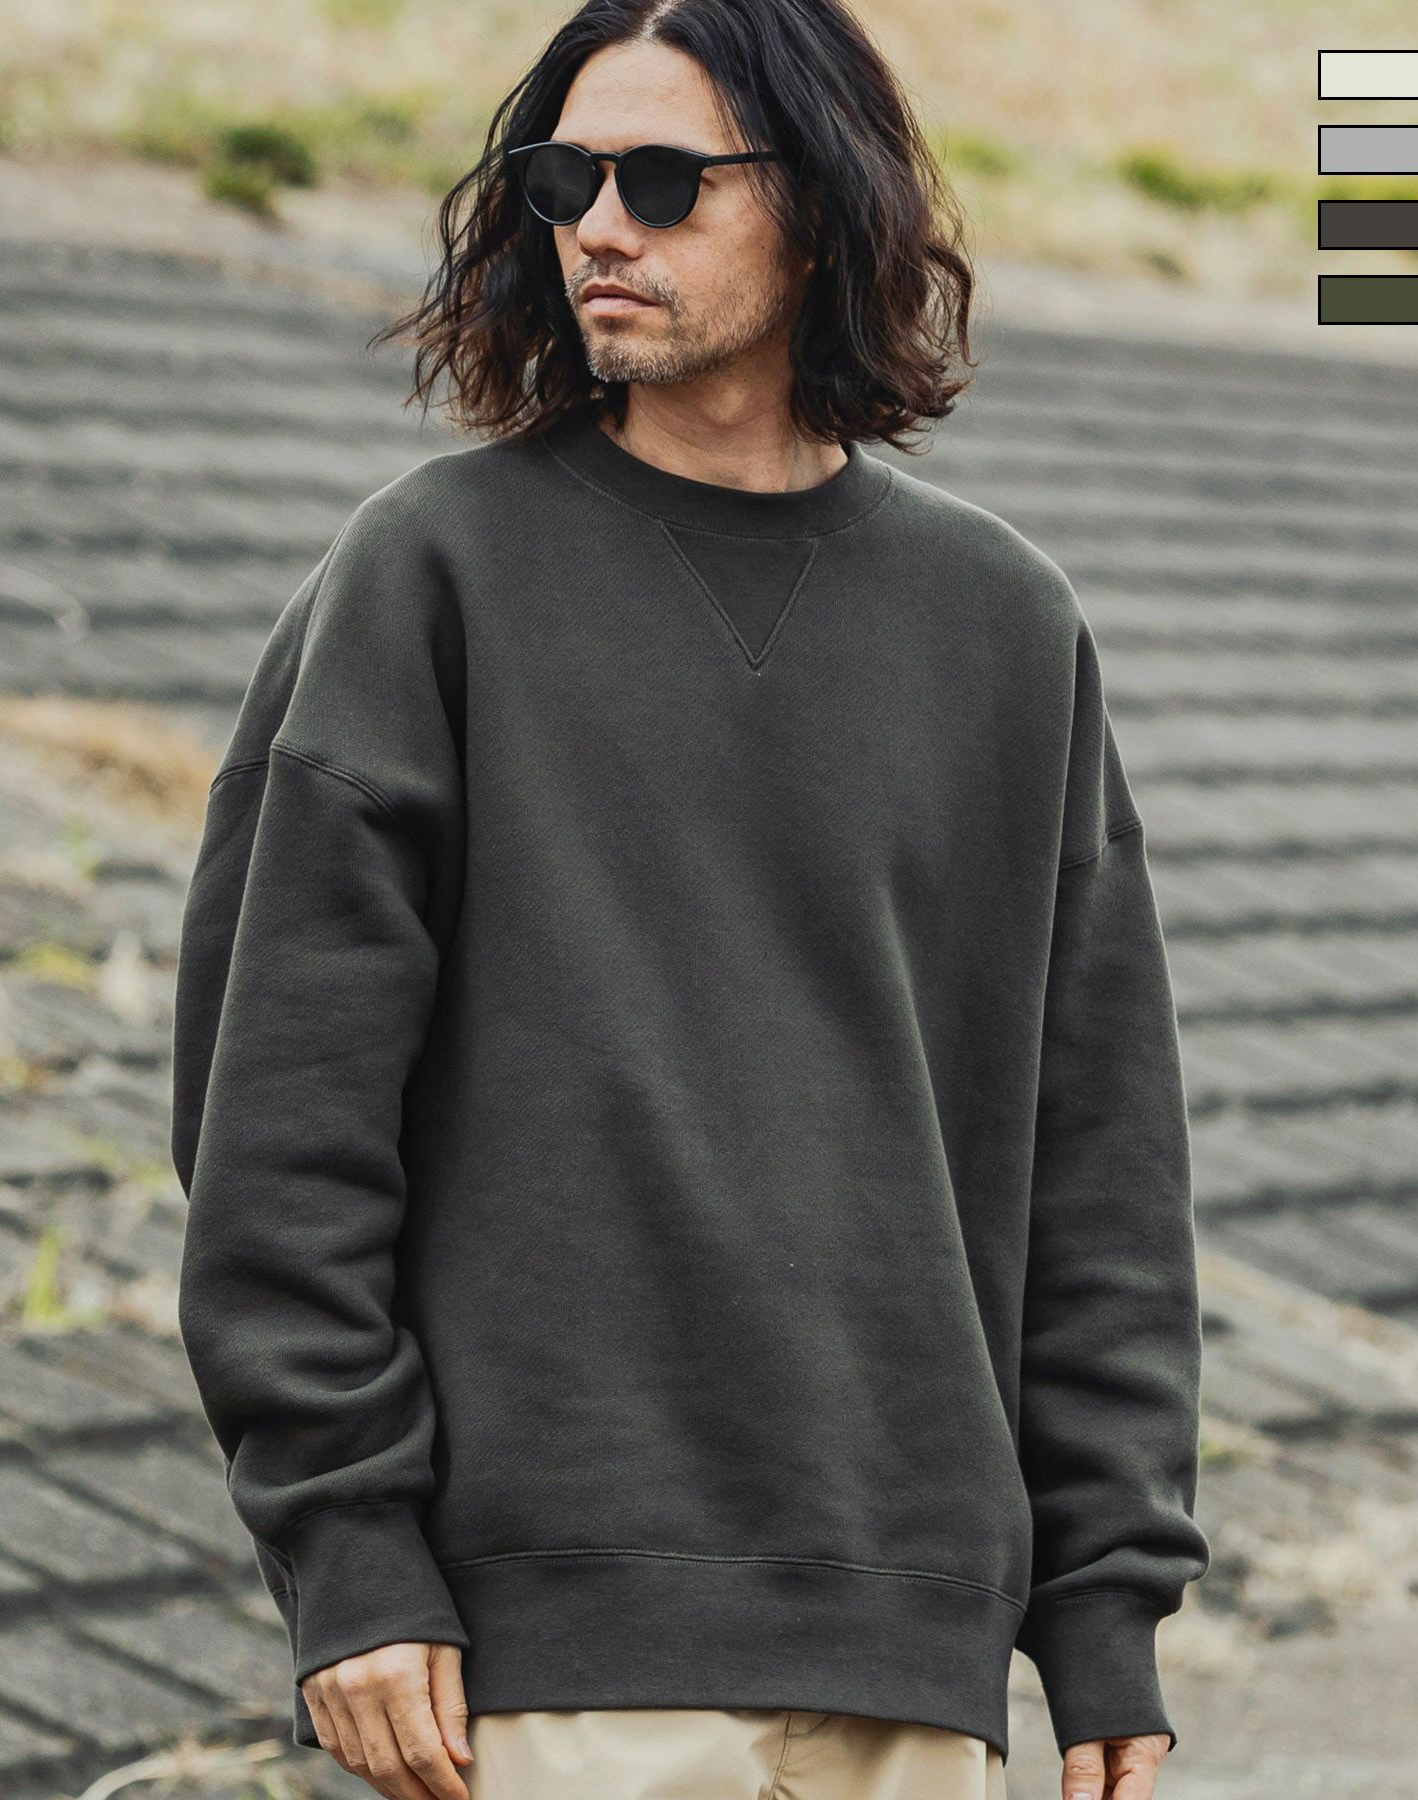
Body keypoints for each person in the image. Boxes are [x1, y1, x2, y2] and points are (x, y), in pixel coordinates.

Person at [171, 2, 1212, 1797]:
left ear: (822, 206)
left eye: (661, 181)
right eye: (561, 180)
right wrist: (349, 1554)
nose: (597, 226)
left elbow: (1101, 1160)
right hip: (547, 1666)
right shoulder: (432, 577)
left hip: (913, 1662)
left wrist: (1103, 1609)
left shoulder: (1005, 630)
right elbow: (279, 1128)